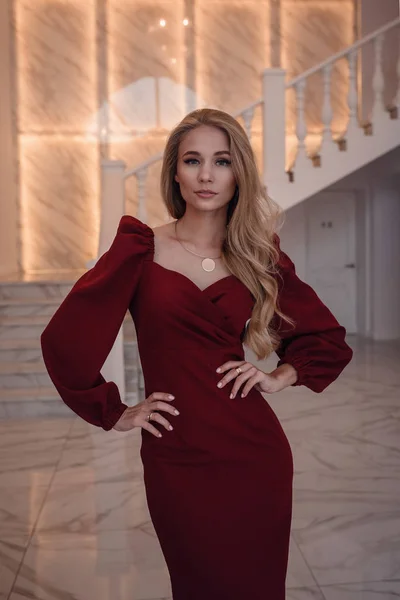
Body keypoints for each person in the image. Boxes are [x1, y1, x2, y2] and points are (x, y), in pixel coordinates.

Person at [40, 108, 353, 599]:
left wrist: (279, 376)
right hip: (177, 452)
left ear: (239, 173)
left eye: (222, 161)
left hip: (254, 454)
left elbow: (326, 339)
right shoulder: (139, 250)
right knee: (198, 583)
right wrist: (113, 411)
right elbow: (66, 340)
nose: (206, 175)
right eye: (192, 160)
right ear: (175, 172)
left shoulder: (257, 253)